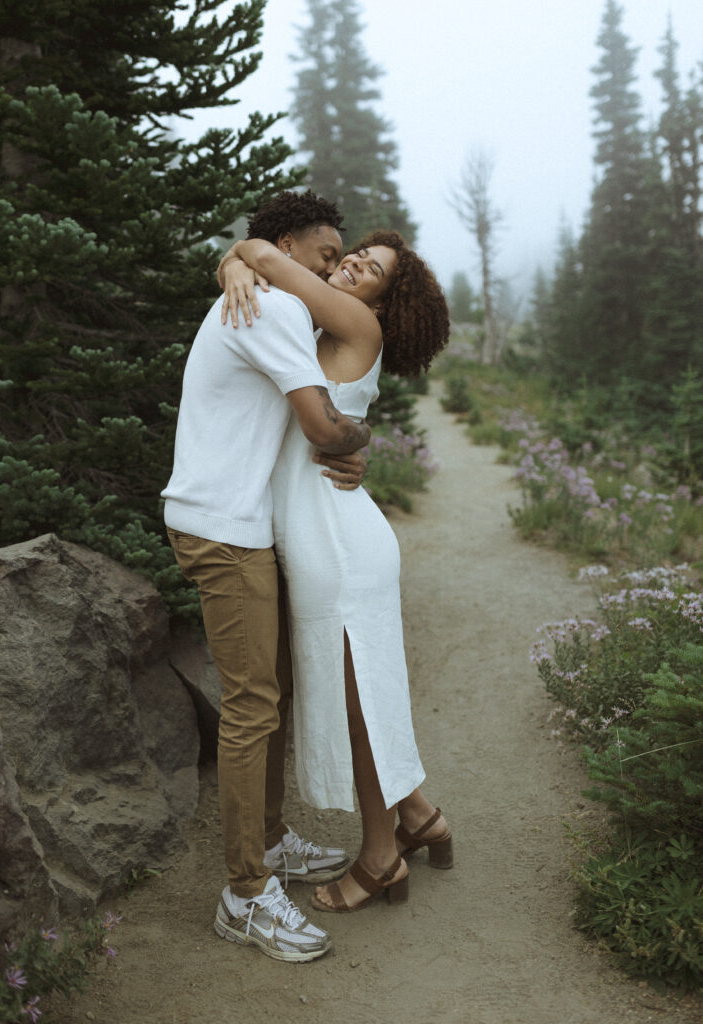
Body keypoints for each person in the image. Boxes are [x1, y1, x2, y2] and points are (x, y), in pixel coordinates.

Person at [162, 191, 373, 962]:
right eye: (325, 255)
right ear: (283, 246)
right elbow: (322, 427)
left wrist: (238, 255)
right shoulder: (276, 310)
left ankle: (273, 842)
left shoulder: (257, 292)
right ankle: (244, 895)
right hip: (225, 533)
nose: (333, 271)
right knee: (252, 705)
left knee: (266, 695)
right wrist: (361, 435)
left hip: (236, 525)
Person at [218, 228, 452, 913]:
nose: (351, 262)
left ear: (387, 298)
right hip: (325, 537)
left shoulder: (355, 323)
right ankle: (417, 818)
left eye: (370, 267)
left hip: (339, 545)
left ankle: (381, 860)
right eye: (353, 255)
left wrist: (237, 263)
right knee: (358, 693)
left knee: (357, 709)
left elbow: (261, 252)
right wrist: (233, 263)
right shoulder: (322, 326)